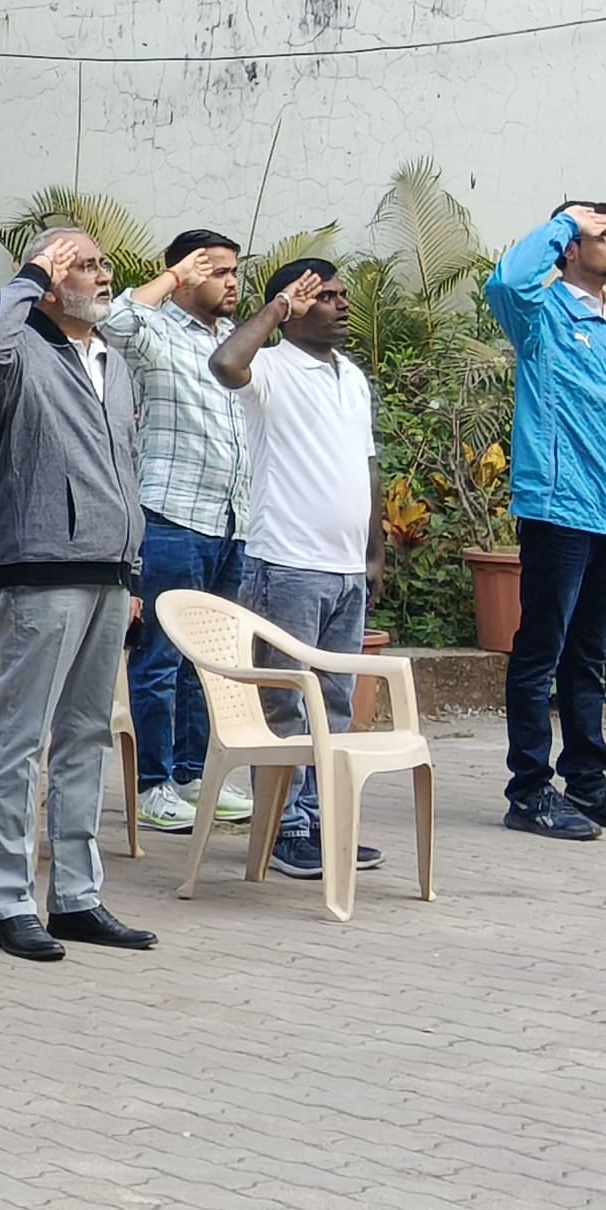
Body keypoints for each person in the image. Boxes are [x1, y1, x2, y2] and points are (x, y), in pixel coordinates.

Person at [0, 231, 155, 961]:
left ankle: (76, 896)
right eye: (85, 266)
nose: (103, 276)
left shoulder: (115, 362)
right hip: (38, 567)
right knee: (21, 739)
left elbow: (127, 466)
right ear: (47, 284)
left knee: (87, 737)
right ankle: (10, 902)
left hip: (110, 569)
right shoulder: (17, 353)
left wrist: (132, 569)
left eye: (104, 264)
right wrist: (30, 272)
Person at [486, 201, 606, 840]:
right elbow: (505, 281)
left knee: (591, 653)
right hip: (559, 508)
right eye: (603, 235)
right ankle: (529, 790)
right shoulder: (540, 314)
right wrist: (566, 221)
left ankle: (589, 783)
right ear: (569, 246)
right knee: (541, 650)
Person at [209, 257, 383, 878]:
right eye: (324, 296)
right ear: (291, 308)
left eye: (341, 294)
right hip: (285, 566)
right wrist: (279, 307)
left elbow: (367, 466)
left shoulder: (351, 377)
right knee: (284, 703)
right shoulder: (271, 369)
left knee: (333, 704)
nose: (340, 305)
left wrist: (373, 553)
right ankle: (284, 829)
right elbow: (225, 363)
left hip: (345, 571)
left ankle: (318, 820)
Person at [104, 230, 254, 838]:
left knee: (207, 660)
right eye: (216, 271)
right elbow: (113, 321)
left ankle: (194, 776)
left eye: (235, 271)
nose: (231, 281)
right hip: (171, 515)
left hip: (232, 519)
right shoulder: (158, 332)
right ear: (186, 273)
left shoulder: (233, 340)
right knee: (159, 656)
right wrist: (170, 278)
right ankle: (153, 785)